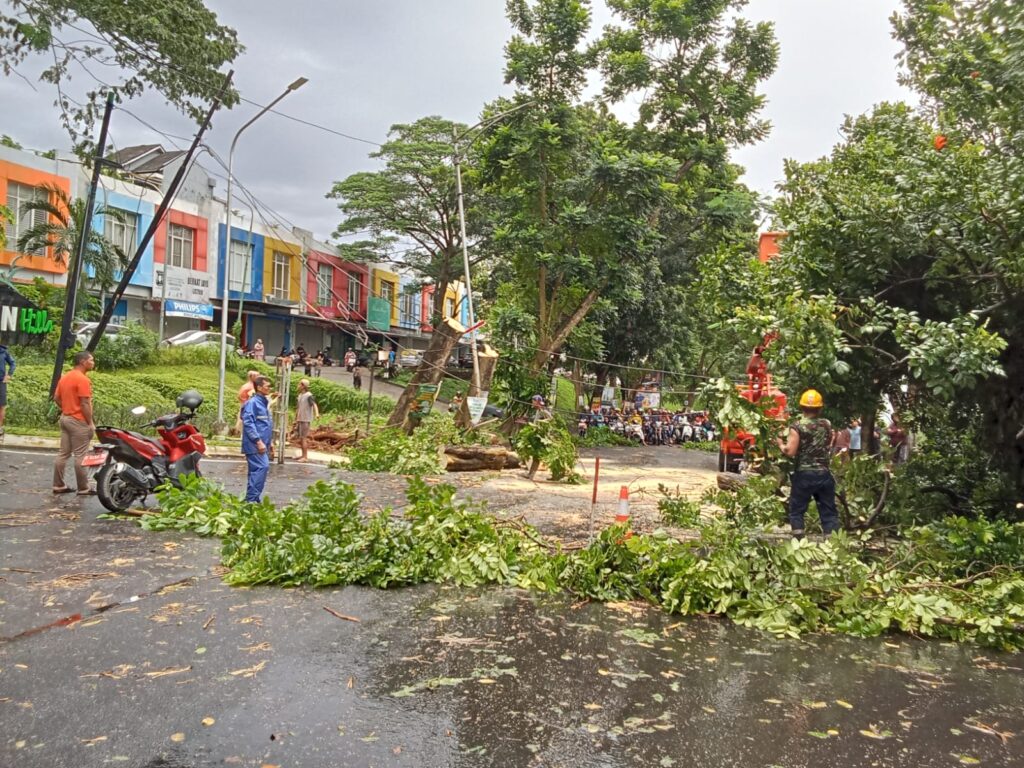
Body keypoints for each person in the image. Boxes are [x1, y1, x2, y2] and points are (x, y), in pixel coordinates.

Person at [777, 389, 840, 538]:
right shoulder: (826, 424)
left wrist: (780, 443)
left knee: (797, 510)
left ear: (802, 407)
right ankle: (834, 547)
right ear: (820, 408)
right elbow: (832, 440)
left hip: (804, 475)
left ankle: (799, 544)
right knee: (828, 511)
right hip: (824, 475)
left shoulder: (797, 427)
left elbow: (790, 451)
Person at [52, 351, 96, 496]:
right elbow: (84, 403)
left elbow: (56, 398)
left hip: (65, 418)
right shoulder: (82, 380)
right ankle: (84, 488)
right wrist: (89, 422)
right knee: (80, 455)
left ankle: (58, 485)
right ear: (83, 362)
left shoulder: (65, 377)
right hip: (78, 421)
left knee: (63, 453)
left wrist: (66, 408)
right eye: (91, 360)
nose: (93, 362)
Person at [241, 375, 274, 503]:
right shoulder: (253, 403)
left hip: (262, 444)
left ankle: (252, 499)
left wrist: (269, 443)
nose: (269, 388)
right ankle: (251, 500)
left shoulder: (263, 403)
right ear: (259, 388)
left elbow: (265, 425)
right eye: (267, 386)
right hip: (255, 445)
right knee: (262, 467)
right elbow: (248, 423)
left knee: (255, 471)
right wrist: (258, 441)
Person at [294, 378, 319, 462]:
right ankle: (302, 455)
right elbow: (298, 408)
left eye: (299, 384)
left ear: (303, 386)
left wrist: (317, 414)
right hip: (300, 418)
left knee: (303, 438)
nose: (298, 386)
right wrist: (295, 418)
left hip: (305, 419)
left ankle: (305, 457)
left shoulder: (309, 395)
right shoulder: (300, 395)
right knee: (300, 438)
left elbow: (314, 405)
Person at [234, 370, 260, 435]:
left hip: (248, 405)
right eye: (256, 376)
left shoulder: (249, 386)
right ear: (251, 377)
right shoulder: (249, 387)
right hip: (247, 406)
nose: (258, 377)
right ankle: (239, 432)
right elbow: (244, 397)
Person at [0, 341, 15, 437]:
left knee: (1, 406)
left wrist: (9, 375)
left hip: (1, 382)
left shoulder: (3, 351)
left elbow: (12, 363)